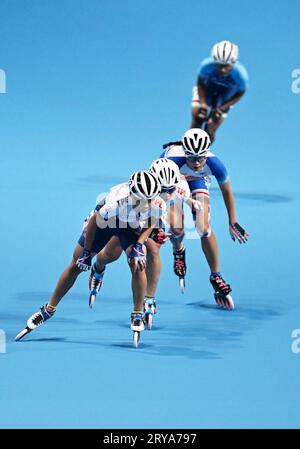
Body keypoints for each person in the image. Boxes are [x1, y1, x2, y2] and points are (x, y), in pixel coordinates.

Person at [15, 171, 164, 341]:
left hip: (129, 227)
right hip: (104, 223)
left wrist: (139, 244)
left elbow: (152, 221)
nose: (148, 204)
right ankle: (49, 309)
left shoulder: (157, 204)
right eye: (143, 200)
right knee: (77, 264)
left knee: (138, 264)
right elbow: (94, 223)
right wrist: (86, 252)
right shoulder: (115, 202)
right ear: (132, 195)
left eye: (151, 200)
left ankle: (137, 313)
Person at [161, 128, 249, 309]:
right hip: (172, 181)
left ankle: (215, 275)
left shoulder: (215, 164)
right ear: (185, 153)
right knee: (177, 228)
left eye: (201, 158)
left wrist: (232, 220)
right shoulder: (169, 161)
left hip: (197, 181)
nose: (197, 163)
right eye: (192, 158)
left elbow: (227, 191)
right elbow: (157, 191)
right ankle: (178, 250)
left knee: (203, 227)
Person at [191, 40, 249, 142]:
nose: (222, 70)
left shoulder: (241, 74)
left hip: (225, 97)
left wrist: (223, 108)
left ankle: (204, 151)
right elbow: (200, 83)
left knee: (211, 127)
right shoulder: (206, 65)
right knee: (197, 117)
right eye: (219, 65)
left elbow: (241, 93)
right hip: (207, 90)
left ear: (234, 63)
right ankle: (188, 145)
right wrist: (203, 104)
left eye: (226, 66)